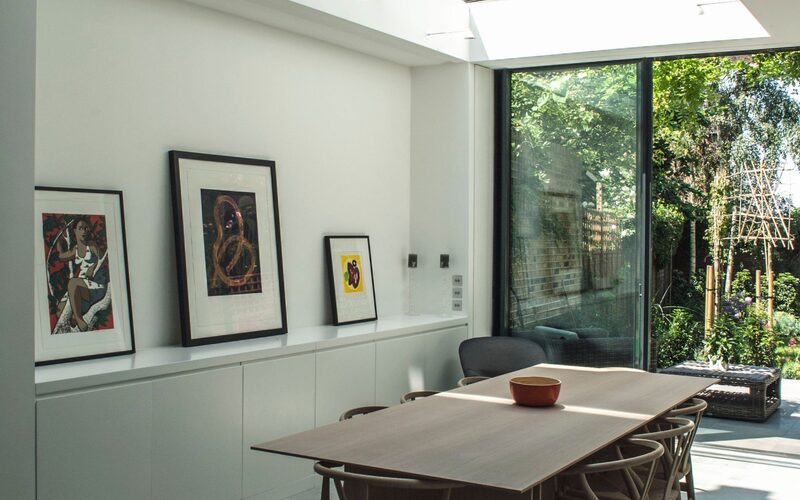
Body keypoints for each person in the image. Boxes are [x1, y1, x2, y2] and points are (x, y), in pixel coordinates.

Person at [54, 217, 105, 332]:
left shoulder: (92, 246)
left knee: (72, 283)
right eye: (80, 228)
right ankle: (74, 319)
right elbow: (61, 256)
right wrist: (59, 239)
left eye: (86, 228)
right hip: (80, 289)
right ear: (75, 231)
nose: (84, 231)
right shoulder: (75, 250)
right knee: (59, 310)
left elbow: (103, 260)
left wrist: (93, 266)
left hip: (95, 286)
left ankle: (78, 318)